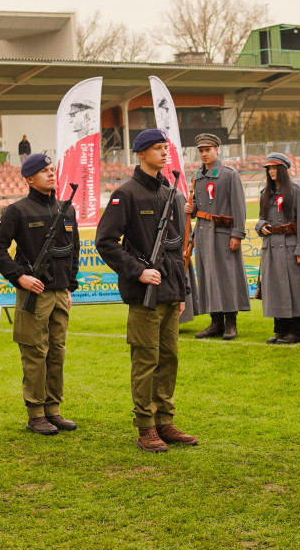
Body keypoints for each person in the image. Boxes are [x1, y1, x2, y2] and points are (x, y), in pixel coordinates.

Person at [96, 129, 197, 453]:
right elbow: (105, 242)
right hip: (144, 295)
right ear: (141, 153)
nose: (164, 153)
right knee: (146, 361)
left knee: (168, 359)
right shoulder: (125, 194)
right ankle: (145, 427)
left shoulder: (170, 192)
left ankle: (164, 421)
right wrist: (137, 271)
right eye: (157, 148)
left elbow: (176, 247)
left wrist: (181, 291)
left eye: (165, 147)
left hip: (169, 291)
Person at [0, 154, 80, 434]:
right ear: (29, 179)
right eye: (43, 171)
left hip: (60, 293)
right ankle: (36, 413)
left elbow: (73, 250)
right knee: (35, 352)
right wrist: (19, 276)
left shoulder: (67, 209)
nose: (51, 174)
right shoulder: (17, 211)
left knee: (57, 352)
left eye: (52, 169)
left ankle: (53, 410)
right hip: (34, 294)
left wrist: (69, 286)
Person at [182, 133, 249, 340]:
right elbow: (198, 207)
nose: (204, 154)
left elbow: (239, 206)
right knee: (207, 278)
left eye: (208, 150)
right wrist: (191, 209)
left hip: (223, 233)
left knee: (227, 277)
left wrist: (237, 234)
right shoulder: (196, 176)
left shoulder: (229, 174)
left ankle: (230, 322)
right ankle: (215, 322)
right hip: (203, 234)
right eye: (201, 151)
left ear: (217, 150)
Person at [255, 153, 300, 344]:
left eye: (275, 168)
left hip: (290, 247)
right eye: (269, 168)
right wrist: (261, 226)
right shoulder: (265, 193)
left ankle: (298, 331)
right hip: (271, 248)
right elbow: (261, 218)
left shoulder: (296, 191)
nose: (271, 171)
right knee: (275, 289)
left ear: (283, 170)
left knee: (294, 290)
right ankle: (281, 330)